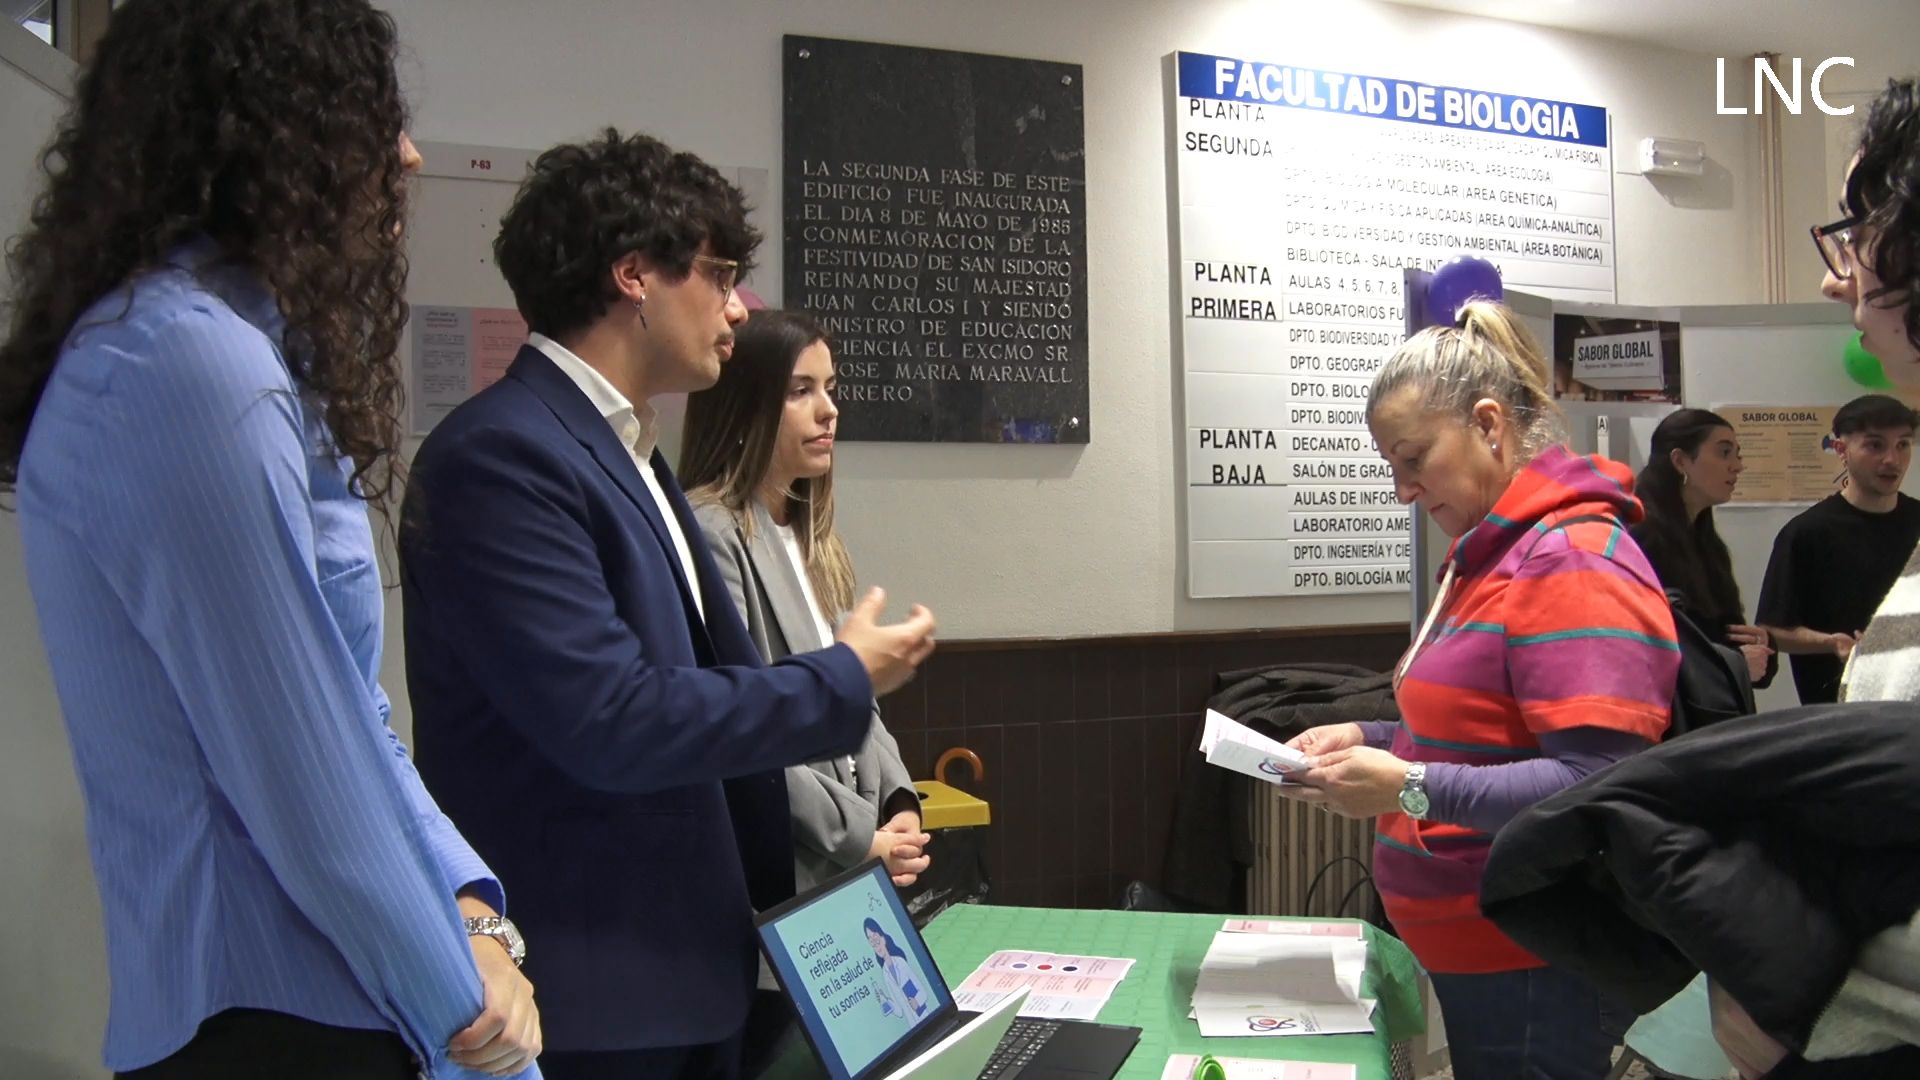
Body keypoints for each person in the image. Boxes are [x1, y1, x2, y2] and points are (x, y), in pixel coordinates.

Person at [0, 2, 539, 1078]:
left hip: (341, 993)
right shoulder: (183, 361)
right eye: (375, 117)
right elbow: (307, 781)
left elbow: (354, 716)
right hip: (283, 1015)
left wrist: (475, 909)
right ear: (275, 129)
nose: (410, 155)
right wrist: (474, 1033)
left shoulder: (234, 348)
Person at [399, 130, 937, 1080]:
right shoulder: (503, 456)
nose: (735, 307)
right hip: (600, 990)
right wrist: (838, 678)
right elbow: (613, 718)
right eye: (719, 273)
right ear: (634, 274)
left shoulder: (631, 451)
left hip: (694, 969)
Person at [1279, 302, 1678, 1079]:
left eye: (1414, 458)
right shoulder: (1491, 556)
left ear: (1490, 425)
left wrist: (1410, 789)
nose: (1403, 491)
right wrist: (1368, 739)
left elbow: (1597, 784)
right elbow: (1479, 737)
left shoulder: (1571, 560)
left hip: (1534, 951)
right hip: (1483, 946)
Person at [681, 310, 932, 894]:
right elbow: (741, 726)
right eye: (801, 391)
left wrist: (900, 801)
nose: (829, 409)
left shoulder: (813, 535)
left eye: (831, 388)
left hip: (854, 853)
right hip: (787, 866)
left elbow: (852, 695)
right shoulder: (715, 532)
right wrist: (857, 837)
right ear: (745, 407)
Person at [1756, 394, 1920, 703]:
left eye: (1903, 445)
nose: (1892, 460)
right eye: (1875, 445)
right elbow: (1773, 630)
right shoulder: (1806, 533)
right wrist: (1831, 643)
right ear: (1841, 450)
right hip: (1837, 710)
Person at [1630, 408, 1776, 687]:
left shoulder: (1706, 542)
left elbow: (1727, 639)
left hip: (1717, 712)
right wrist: (1733, 663)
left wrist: (1762, 646)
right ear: (1680, 461)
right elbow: (1642, 649)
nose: (1737, 466)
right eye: (1724, 453)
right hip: (1675, 720)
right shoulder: (1641, 537)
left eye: (1737, 454)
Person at [863, 919, 931, 1020]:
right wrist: (886, 1000)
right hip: (913, 1024)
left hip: (924, 1015)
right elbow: (899, 1012)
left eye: (876, 938)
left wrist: (917, 1002)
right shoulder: (885, 974)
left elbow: (923, 991)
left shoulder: (900, 962)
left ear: (883, 938)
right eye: (872, 943)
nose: (877, 946)